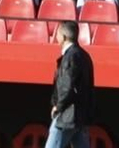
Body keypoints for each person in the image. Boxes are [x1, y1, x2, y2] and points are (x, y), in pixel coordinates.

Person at [47, 20, 95, 148]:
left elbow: (67, 86)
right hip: (81, 115)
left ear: (63, 37)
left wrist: (58, 106)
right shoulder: (84, 55)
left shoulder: (70, 57)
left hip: (67, 116)